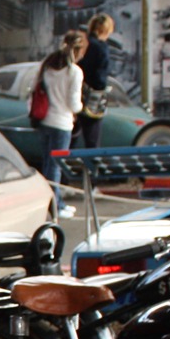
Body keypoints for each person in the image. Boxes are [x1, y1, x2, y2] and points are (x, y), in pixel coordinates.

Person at [34, 29, 86, 214]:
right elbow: (73, 103)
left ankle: (52, 202)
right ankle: (56, 206)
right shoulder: (74, 72)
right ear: (80, 50)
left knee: (48, 164)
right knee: (56, 166)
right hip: (62, 123)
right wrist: (82, 108)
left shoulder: (47, 66)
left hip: (44, 119)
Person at [76, 13, 114, 149]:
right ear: (106, 30)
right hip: (92, 98)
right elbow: (100, 77)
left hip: (75, 94)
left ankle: (66, 169)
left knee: (71, 139)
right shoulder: (101, 48)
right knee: (92, 141)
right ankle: (91, 169)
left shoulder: (81, 43)